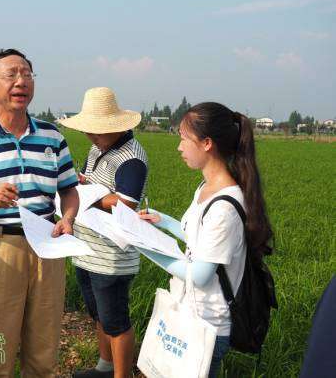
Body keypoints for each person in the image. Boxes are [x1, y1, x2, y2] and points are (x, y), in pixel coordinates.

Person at [0, 48, 80, 377]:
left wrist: (67, 218)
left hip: (48, 246)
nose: (21, 81)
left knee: (43, 347)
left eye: (27, 74)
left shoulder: (53, 136)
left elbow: (68, 189)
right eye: (11, 74)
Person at [139, 102, 274, 378]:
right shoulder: (206, 187)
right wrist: (162, 221)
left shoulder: (225, 205)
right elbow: (197, 238)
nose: (178, 147)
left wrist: (145, 246)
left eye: (183, 138)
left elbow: (200, 274)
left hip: (206, 328)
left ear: (207, 143)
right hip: (188, 314)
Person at [59, 87, 148, 378]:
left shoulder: (131, 157)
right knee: (98, 314)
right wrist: (82, 185)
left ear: (117, 126)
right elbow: (87, 180)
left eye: (98, 131)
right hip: (87, 249)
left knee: (116, 322)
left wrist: (88, 195)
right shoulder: (98, 148)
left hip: (111, 257)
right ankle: (105, 367)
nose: (91, 136)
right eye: (89, 130)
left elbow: (127, 201)